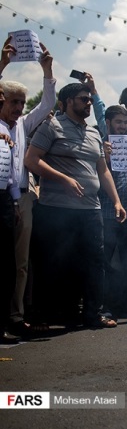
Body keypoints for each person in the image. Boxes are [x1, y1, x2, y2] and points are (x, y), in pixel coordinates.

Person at [25, 82, 126, 329]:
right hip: (56, 209)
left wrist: (116, 201)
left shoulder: (94, 133)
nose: (88, 103)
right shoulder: (51, 126)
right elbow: (31, 160)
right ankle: (43, 316)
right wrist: (63, 178)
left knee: (94, 262)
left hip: (90, 210)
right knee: (53, 264)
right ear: (67, 102)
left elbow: (102, 171)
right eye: (83, 99)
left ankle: (93, 314)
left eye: (89, 99)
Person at [0, 37, 56, 338]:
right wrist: (3, 65)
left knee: (20, 263)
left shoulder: (22, 124)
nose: (19, 108)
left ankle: (16, 316)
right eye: (13, 102)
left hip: (21, 199)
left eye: (22, 103)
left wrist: (47, 71)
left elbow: (47, 104)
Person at [100, 105, 127, 316]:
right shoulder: (99, 146)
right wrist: (105, 159)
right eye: (118, 122)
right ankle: (106, 304)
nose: (123, 126)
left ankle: (126, 302)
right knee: (106, 261)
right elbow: (95, 177)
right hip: (108, 212)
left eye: (125, 123)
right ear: (108, 123)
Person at [0, 83, 22, 344]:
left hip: (4, 200)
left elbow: (11, 172)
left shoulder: (8, 131)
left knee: (6, 265)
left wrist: (15, 202)